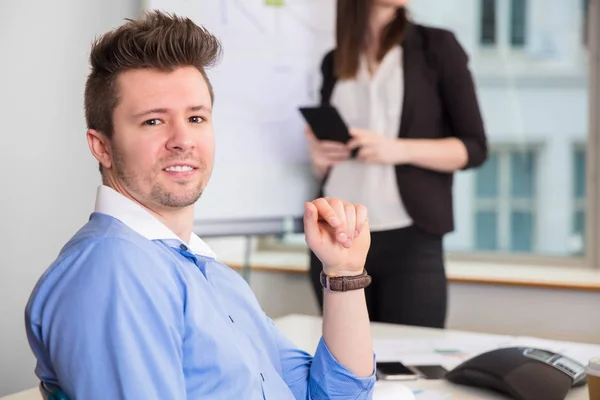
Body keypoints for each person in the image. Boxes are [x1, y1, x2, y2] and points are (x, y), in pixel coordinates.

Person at [25, 11, 376, 399]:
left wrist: (344, 273)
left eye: (195, 117)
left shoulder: (208, 272)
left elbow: (332, 396)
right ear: (102, 146)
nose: (183, 140)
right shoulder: (113, 270)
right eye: (153, 122)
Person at [306, 0, 488, 329]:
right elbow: (329, 157)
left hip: (410, 238)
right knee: (346, 360)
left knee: (413, 358)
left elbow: (474, 148)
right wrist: (319, 159)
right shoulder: (334, 61)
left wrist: (394, 149)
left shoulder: (437, 47)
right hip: (338, 236)